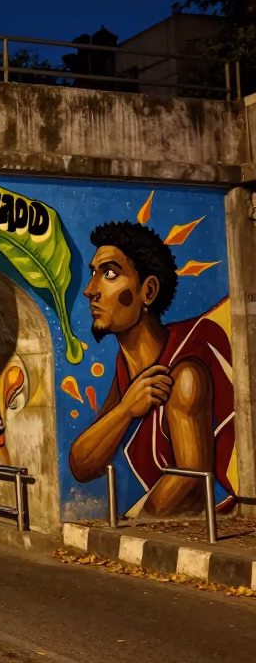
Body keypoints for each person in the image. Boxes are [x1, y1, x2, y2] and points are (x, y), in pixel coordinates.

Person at [69, 221, 234, 517]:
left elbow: (192, 480)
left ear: (147, 290)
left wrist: (134, 523)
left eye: (108, 274)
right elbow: (83, 465)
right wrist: (125, 410)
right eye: (94, 274)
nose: (90, 290)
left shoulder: (184, 375)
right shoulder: (129, 370)